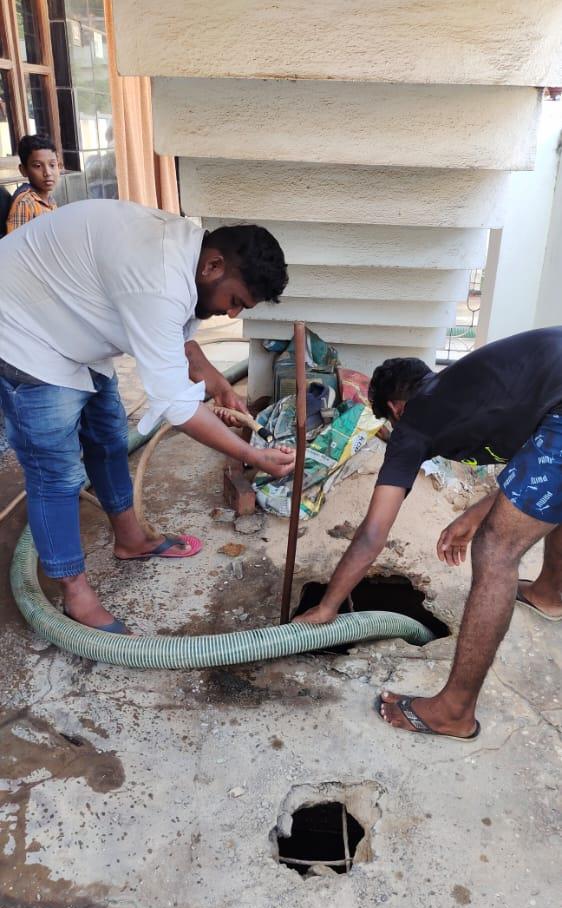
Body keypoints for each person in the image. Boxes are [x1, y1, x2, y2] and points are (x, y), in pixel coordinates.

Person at [0, 199, 295, 632]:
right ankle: (75, 593)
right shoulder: (158, 277)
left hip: (71, 319)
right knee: (56, 473)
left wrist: (216, 382)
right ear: (214, 266)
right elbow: (176, 407)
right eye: (235, 301)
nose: (232, 315)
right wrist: (253, 455)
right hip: (23, 328)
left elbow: (180, 341)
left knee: (107, 438)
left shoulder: (187, 258)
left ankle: (131, 539)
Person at [295, 327, 562, 741]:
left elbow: (372, 534)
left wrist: (329, 606)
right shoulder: (472, 384)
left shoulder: (415, 421)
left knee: (495, 547)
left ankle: (453, 712)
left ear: (395, 408)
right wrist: (474, 511)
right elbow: (538, 463)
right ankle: (551, 593)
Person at [6, 134, 60, 233]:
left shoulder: (50, 201)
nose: (47, 172)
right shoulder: (25, 203)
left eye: (52, 165)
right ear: (23, 170)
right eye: (38, 166)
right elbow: (15, 245)